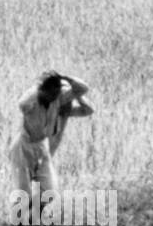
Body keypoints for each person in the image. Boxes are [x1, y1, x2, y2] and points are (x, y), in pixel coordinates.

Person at [8, 70, 92, 206]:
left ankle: (31, 219)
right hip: (23, 147)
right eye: (51, 92)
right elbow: (22, 104)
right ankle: (18, 225)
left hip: (42, 146)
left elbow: (83, 88)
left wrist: (65, 77)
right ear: (42, 90)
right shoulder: (32, 101)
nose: (54, 96)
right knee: (23, 192)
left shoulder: (58, 98)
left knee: (49, 192)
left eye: (56, 92)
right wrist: (39, 86)